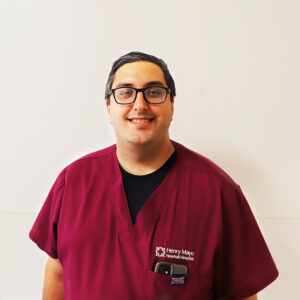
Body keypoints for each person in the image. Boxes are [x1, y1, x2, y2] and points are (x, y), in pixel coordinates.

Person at [29, 51, 279, 300]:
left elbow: (242, 296)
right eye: (125, 92)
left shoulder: (218, 192)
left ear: (171, 105)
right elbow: (57, 271)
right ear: (108, 107)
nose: (139, 104)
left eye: (154, 92)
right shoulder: (72, 182)